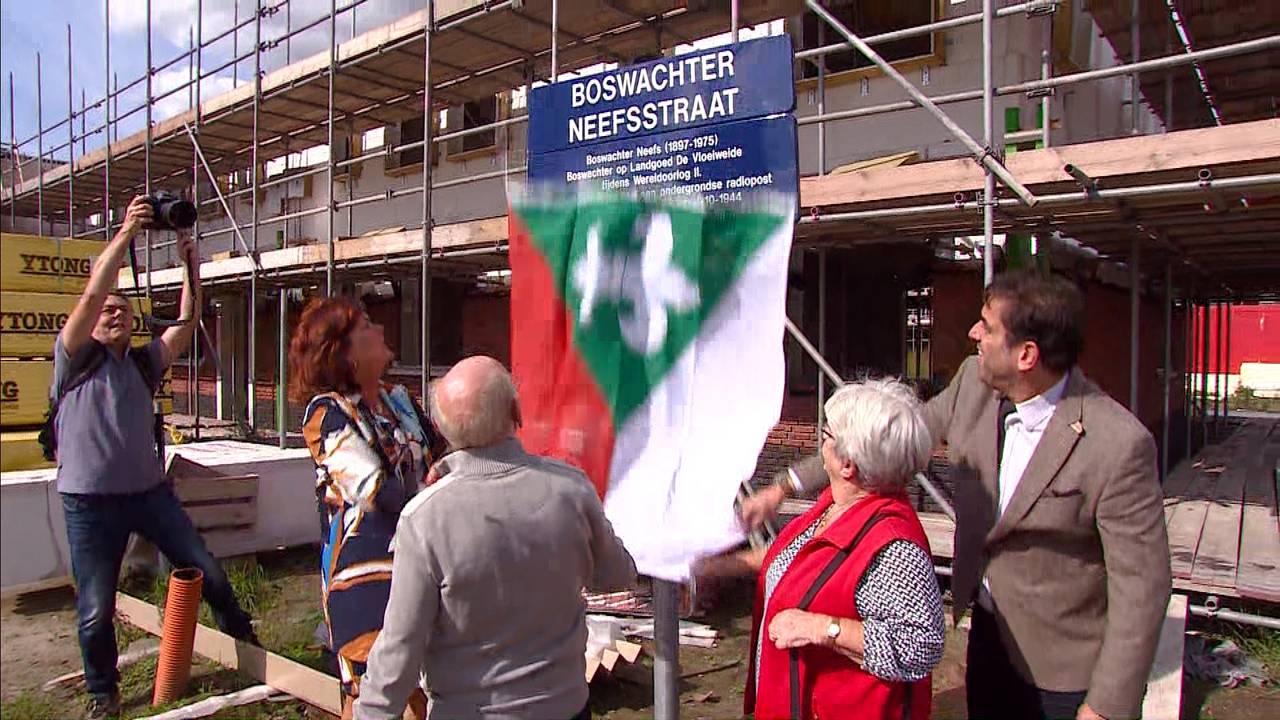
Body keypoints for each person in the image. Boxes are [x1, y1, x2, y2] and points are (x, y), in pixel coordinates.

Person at [742, 271, 1172, 720]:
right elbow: (880, 440)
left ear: (1026, 355)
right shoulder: (975, 383)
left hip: (1064, 671)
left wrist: (1105, 706)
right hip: (988, 642)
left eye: (987, 326)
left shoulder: (1117, 444)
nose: (973, 334)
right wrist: (784, 486)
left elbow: (1143, 586)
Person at [53, 195, 258, 720]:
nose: (114, 312)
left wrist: (191, 264)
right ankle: (105, 695)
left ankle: (249, 648)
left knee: (207, 571)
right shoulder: (74, 356)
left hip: (149, 494)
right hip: (89, 504)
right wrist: (126, 233)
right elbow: (98, 285)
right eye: (105, 309)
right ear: (90, 318)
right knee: (96, 609)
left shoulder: (144, 363)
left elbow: (187, 323)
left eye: (123, 308)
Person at [353, 356, 638, 720]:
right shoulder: (571, 490)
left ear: (443, 431)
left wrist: (370, 714)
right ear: (516, 412)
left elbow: (400, 648)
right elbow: (618, 575)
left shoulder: (425, 519)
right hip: (564, 708)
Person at [701, 378, 944, 720]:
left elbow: (921, 646)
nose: (820, 447)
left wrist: (821, 628)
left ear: (848, 465)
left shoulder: (894, 546)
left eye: (826, 437)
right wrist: (711, 568)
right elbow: (791, 564)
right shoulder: (835, 506)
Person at [289, 296, 447, 720]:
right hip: (369, 577)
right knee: (376, 693)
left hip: (427, 561)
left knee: (431, 690)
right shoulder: (326, 415)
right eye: (366, 327)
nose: (379, 331)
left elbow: (446, 457)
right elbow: (373, 487)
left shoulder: (402, 403)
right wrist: (443, 505)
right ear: (342, 352)